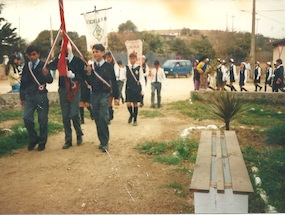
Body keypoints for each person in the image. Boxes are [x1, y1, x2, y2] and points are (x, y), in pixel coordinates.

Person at [44, 42, 85, 149]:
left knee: (74, 114)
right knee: (65, 116)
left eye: (66, 47)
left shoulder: (78, 61)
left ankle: (79, 133)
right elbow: (50, 66)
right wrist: (47, 65)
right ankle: (68, 139)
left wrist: (74, 75)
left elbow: (82, 77)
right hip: (63, 90)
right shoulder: (60, 60)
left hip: (75, 90)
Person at [86, 44, 119, 152]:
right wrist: (89, 73)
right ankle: (101, 140)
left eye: (97, 52)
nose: (95, 54)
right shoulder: (92, 66)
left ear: (102, 53)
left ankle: (105, 142)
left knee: (103, 117)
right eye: (94, 52)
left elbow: (114, 82)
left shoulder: (109, 66)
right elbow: (90, 82)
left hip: (105, 94)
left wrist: (116, 97)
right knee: (97, 118)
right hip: (95, 94)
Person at [20, 45, 53, 151]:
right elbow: (23, 83)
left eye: (34, 54)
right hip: (29, 96)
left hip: (41, 95)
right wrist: (22, 97)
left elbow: (50, 80)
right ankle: (34, 138)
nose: (32, 57)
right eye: (30, 55)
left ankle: (42, 141)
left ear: (38, 54)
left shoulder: (44, 65)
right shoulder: (27, 66)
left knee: (42, 120)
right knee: (26, 118)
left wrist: (46, 74)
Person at [125, 52, 145, 126]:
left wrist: (142, 89)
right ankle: (131, 114)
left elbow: (142, 79)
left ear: (136, 59)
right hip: (128, 87)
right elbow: (124, 77)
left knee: (135, 103)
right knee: (128, 103)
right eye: (131, 59)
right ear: (129, 59)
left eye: (134, 58)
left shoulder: (139, 68)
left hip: (136, 87)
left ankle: (135, 120)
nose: (132, 60)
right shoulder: (127, 67)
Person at [105, 51, 118, 122]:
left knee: (109, 102)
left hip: (112, 85)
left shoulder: (114, 66)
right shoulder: (105, 65)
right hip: (105, 86)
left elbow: (115, 77)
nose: (108, 59)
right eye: (107, 57)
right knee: (106, 102)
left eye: (110, 57)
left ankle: (110, 113)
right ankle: (107, 116)